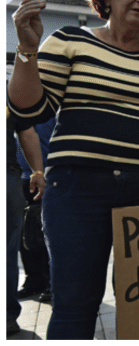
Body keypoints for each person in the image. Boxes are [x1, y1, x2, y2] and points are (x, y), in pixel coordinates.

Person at [9, 0, 139, 339]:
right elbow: (28, 108)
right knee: (74, 303)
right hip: (76, 190)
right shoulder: (71, 39)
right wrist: (27, 49)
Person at [7, 116, 44, 337]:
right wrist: (38, 172)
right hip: (7, 175)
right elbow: (27, 133)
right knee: (7, 251)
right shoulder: (9, 91)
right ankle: (7, 317)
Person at [16, 116, 56, 303]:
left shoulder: (47, 115)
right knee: (26, 234)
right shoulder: (12, 108)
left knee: (46, 232)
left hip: (45, 177)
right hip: (20, 178)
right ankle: (35, 280)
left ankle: (52, 282)